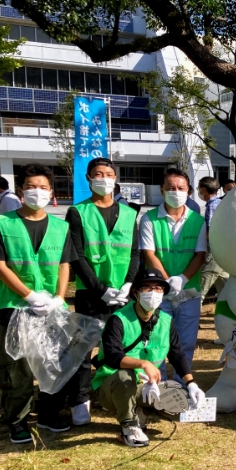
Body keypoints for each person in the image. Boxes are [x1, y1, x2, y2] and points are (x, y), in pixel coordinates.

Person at [0, 164, 77, 443]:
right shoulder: (3, 224)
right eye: (31, 187)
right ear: (21, 191)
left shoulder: (61, 226)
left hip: (51, 308)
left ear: (51, 192)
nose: (38, 192)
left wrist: (59, 297)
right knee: (16, 367)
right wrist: (29, 296)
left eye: (43, 187)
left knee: (52, 363)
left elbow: (63, 264)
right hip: (16, 307)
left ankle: (48, 414)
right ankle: (17, 419)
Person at [65, 157, 141, 426]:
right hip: (91, 294)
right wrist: (100, 289)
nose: (104, 178)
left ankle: (114, 393)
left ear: (115, 178)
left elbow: (134, 253)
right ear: (88, 178)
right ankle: (79, 400)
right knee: (84, 350)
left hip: (122, 295)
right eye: (98, 174)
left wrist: (130, 284)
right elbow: (76, 256)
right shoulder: (78, 212)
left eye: (109, 173)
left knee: (118, 347)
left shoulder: (130, 213)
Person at [92, 269, 206, 447]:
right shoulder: (118, 319)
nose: (154, 293)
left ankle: (140, 410)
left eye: (159, 289)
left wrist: (191, 384)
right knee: (125, 376)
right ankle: (129, 427)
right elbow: (113, 357)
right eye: (147, 288)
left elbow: (176, 354)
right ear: (136, 292)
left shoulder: (166, 321)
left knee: (180, 397)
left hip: (146, 386)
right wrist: (143, 363)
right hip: (112, 387)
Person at [139, 168, 207, 381]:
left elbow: (200, 255)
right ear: (162, 190)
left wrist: (183, 279)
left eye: (181, 188)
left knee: (186, 342)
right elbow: (149, 254)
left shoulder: (198, 221)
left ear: (189, 191)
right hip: (158, 291)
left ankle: (181, 386)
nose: (175, 192)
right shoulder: (148, 219)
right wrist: (168, 282)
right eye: (171, 188)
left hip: (189, 292)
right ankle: (157, 386)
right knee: (156, 341)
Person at [196, 176, 228, 301]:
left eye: (199, 188)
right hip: (224, 252)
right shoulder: (221, 203)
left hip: (214, 252)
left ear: (204, 189)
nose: (199, 191)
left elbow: (211, 231)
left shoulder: (212, 205)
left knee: (200, 291)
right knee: (226, 292)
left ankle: (191, 319)